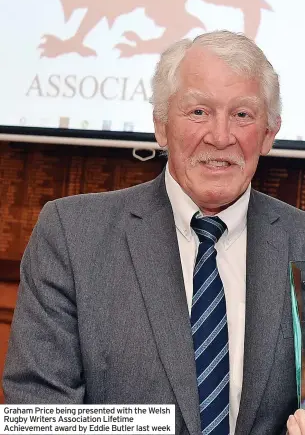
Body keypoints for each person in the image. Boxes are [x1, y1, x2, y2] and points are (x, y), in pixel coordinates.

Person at [2, 30, 305, 434]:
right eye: (198, 112)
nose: (220, 136)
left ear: (269, 133)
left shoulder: (300, 239)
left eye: (243, 115)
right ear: (161, 126)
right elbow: (39, 415)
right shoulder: (72, 235)